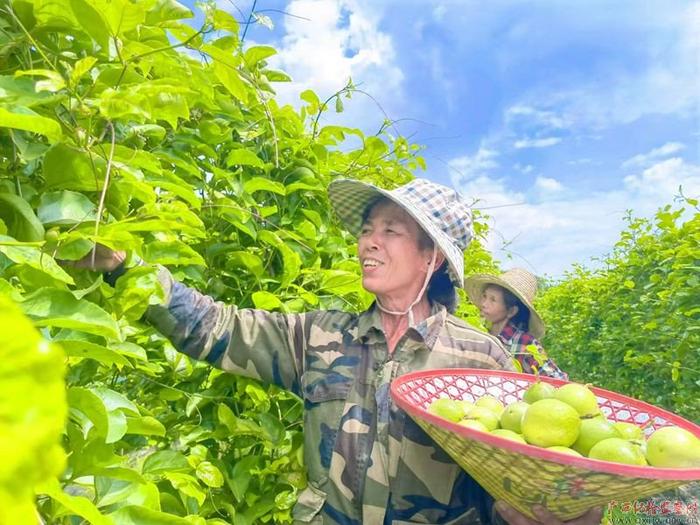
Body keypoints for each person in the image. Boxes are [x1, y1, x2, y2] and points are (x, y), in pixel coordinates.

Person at [83, 178, 601, 525]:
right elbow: (216, 327)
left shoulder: (481, 360)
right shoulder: (319, 336)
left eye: (391, 231)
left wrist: (550, 506)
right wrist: (128, 269)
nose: (368, 243)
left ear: (433, 258)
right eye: (367, 230)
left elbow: (510, 472)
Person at [465, 269, 567, 380]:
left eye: (493, 300)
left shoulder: (525, 342)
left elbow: (557, 379)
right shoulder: (482, 335)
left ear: (511, 311)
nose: (484, 304)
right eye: (484, 296)